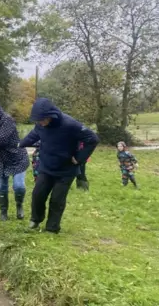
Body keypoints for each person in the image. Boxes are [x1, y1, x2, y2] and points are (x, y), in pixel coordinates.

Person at [19, 98, 99, 234]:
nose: (40, 123)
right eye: (38, 120)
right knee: (38, 194)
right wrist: (20, 144)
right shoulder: (40, 124)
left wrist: (79, 158)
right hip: (46, 165)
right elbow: (34, 134)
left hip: (66, 169)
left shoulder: (70, 124)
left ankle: (52, 228)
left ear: (51, 115)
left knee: (57, 199)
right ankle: (35, 220)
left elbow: (92, 139)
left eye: (43, 119)